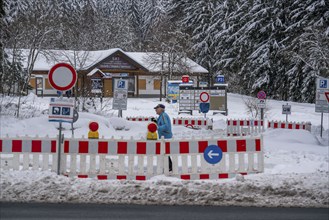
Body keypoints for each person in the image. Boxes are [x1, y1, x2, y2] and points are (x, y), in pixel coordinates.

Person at [153, 104, 173, 171]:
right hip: (164, 136)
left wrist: (158, 127)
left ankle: (169, 166)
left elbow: (166, 126)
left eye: (156, 108)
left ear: (161, 109)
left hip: (165, 137)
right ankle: (168, 166)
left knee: (165, 152)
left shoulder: (164, 115)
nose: (155, 110)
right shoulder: (162, 116)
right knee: (165, 152)